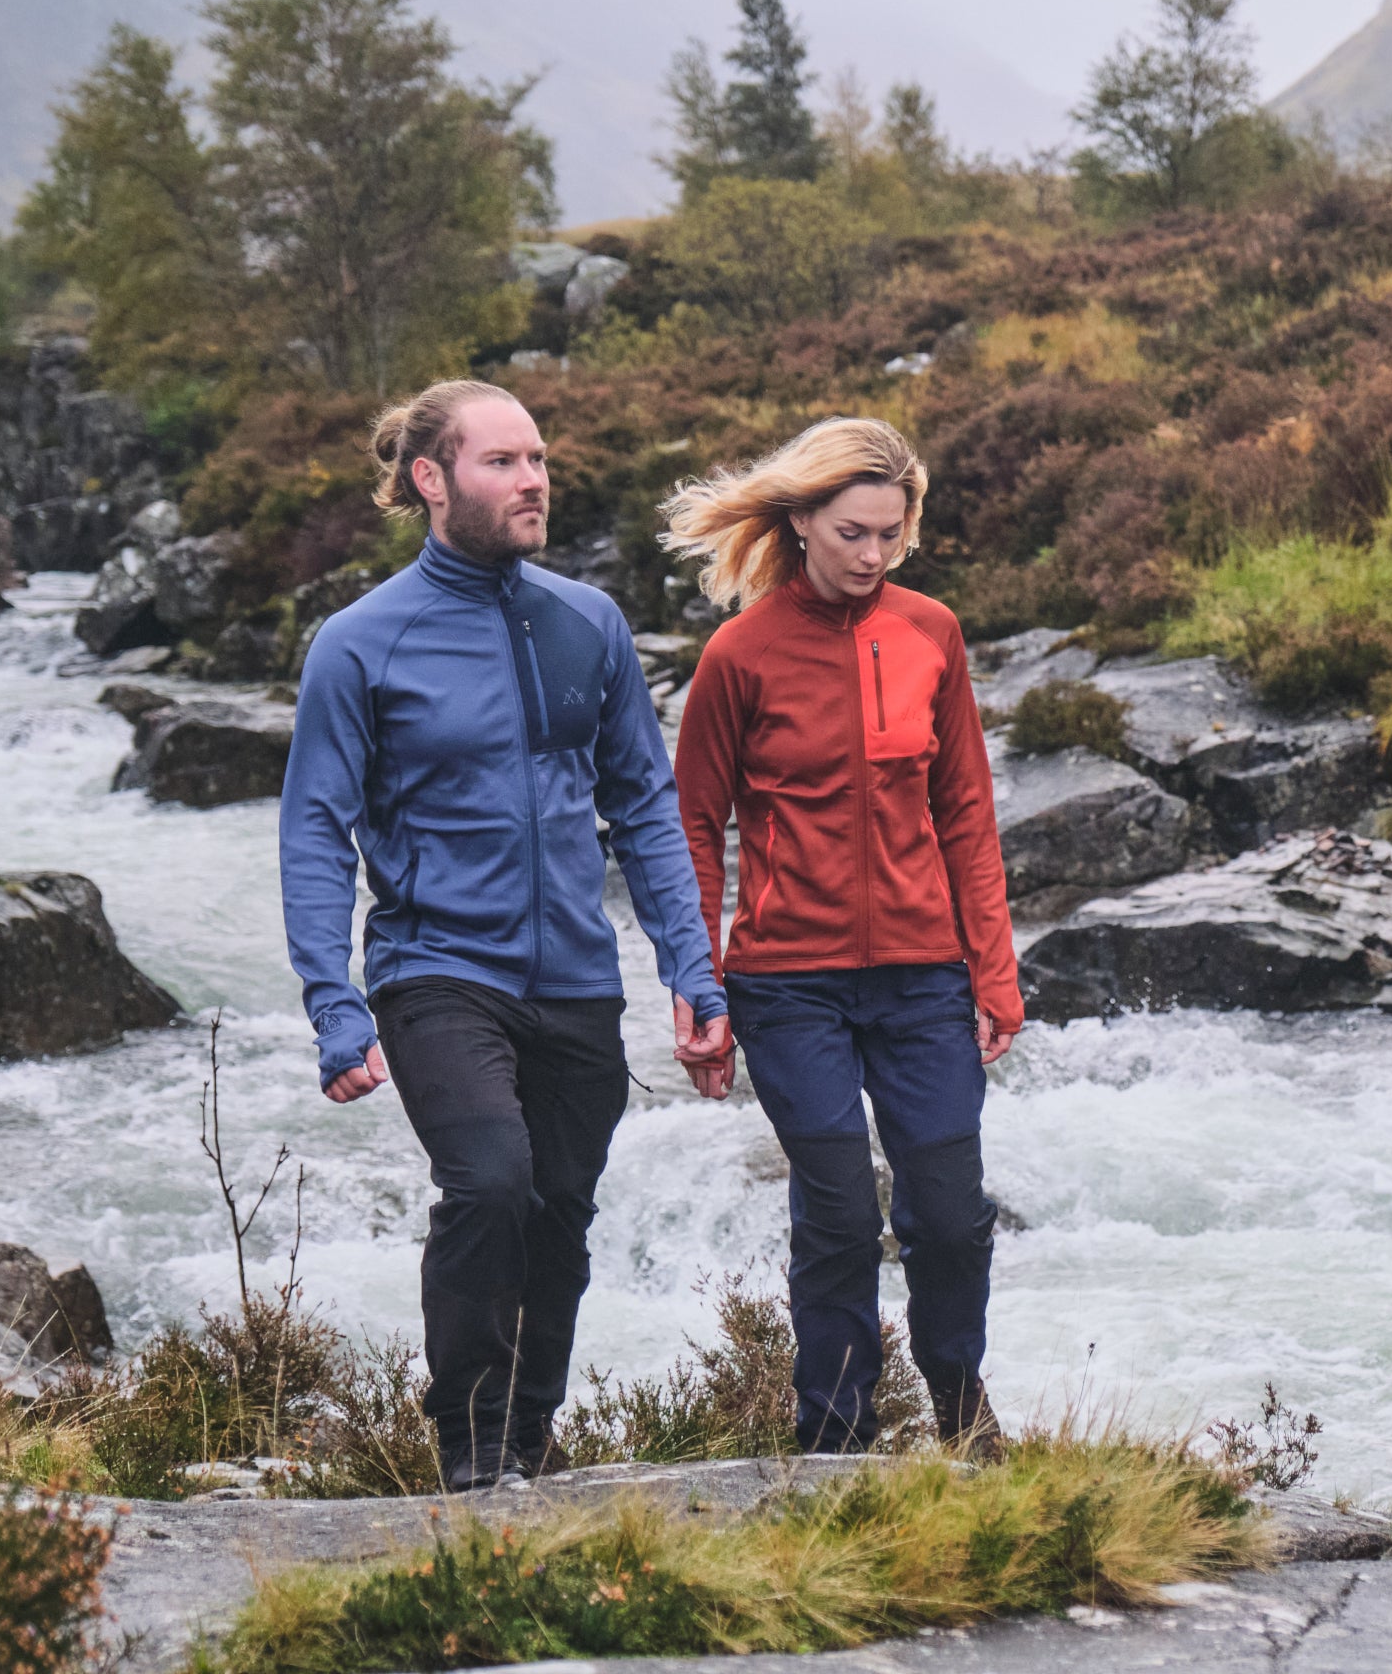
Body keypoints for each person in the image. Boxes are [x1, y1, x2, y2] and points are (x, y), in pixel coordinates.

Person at [280, 378, 722, 1491]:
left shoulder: (589, 622)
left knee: (561, 1214)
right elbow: (316, 830)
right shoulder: (359, 643)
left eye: (538, 459)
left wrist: (691, 968)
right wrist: (333, 1004)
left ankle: (530, 1436)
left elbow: (647, 807)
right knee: (489, 1181)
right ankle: (470, 1447)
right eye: (502, 462)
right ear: (431, 479)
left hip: (575, 975)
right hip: (437, 969)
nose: (532, 480)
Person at [665, 416, 1022, 1454]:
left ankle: (958, 1398)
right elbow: (692, 821)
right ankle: (834, 1439)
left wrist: (994, 971)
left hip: (924, 977)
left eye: (890, 535)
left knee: (951, 1216)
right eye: (853, 531)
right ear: (802, 520)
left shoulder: (930, 632)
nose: (872, 555)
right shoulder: (738, 655)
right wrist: (701, 987)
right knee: (834, 1216)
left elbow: (966, 811)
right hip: (789, 982)